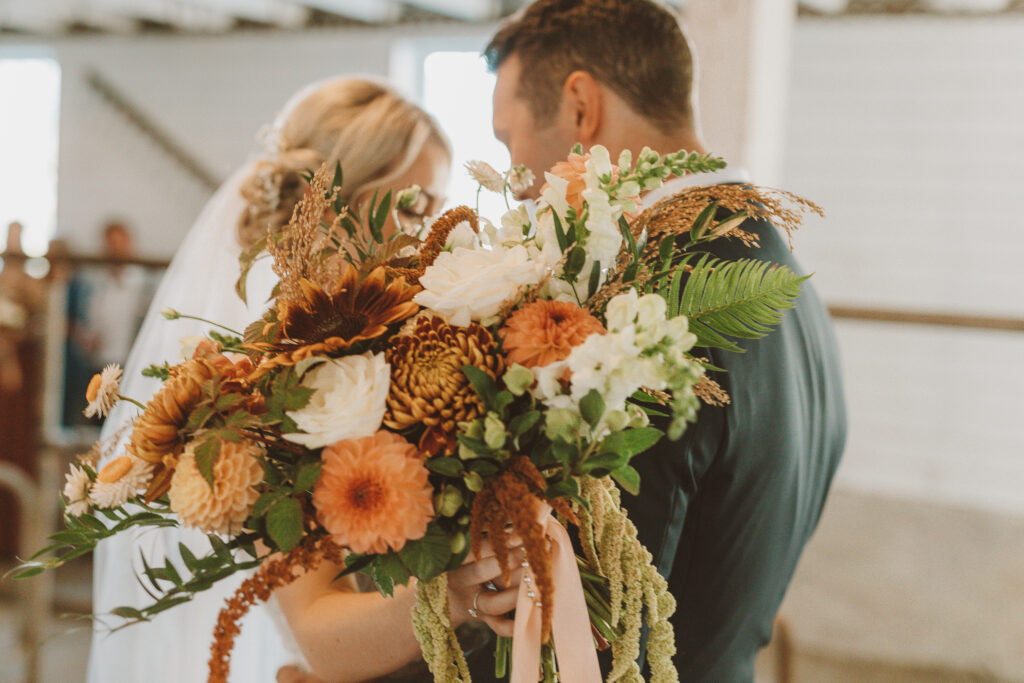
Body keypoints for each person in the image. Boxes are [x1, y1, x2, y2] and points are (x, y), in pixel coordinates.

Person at [90, 78, 518, 683]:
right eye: (417, 207)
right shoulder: (265, 384)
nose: (435, 233)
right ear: (339, 203)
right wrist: (454, 596)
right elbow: (319, 632)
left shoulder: (433, 345)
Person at [485, 1, 847, 680]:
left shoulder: (651, 306)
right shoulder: (787, 278)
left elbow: (593, 624)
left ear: (580, 107)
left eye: (509, 143)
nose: (520, 186)